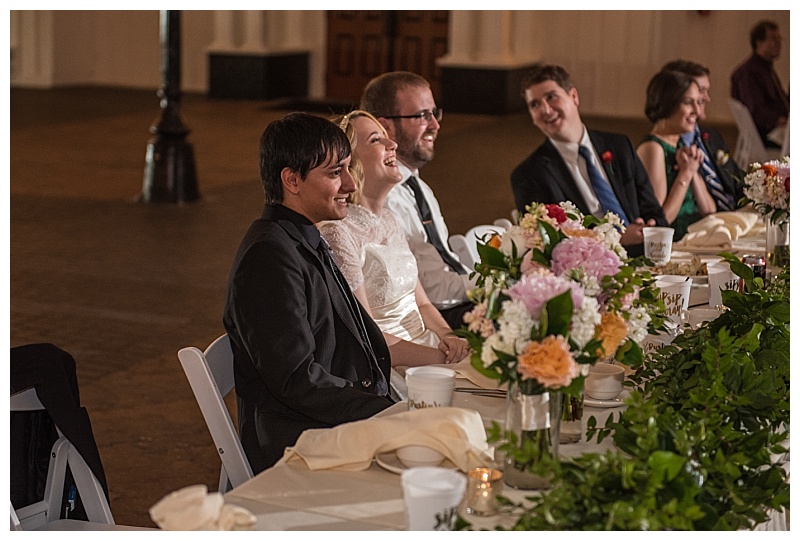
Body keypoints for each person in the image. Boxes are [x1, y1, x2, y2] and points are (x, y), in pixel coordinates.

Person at [223, 112, 394, 473]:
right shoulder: (268, 256)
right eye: (335, 173)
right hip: (299, 441)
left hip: (330, 421)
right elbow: (296, 379)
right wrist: (387, 414)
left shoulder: (301, 236)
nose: (350, 184)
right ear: (292, 180)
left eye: (348, 169)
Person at [320, 110, 470, 367]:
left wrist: (449, 337)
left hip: (428, 347)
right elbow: (364, 335)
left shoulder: (389, 220)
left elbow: (421, 303)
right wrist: (444, 361)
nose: (393, 145)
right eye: (376, 140)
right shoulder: (339, 232)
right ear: (350, 162)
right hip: (391, 365)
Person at [510, 63, 667, 256]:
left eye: (551, 97)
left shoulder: (619, 146)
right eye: (535, 104)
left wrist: (649, 229)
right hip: (589, 272)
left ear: (574, 96)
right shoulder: (529, 174)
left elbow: (654, 212)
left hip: (647, 258)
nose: (546, 110)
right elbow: (545, 246)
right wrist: (615, 239)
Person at [360, 71, 475, 330]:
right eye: (422, 116)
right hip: (435, 317)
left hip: (455, 299)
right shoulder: (382, 198)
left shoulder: (417, 185)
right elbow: (431, 291)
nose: (435, 125)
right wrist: (494, 283)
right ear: (385, 127)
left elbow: (443, 265)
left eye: (435, 113)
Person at [637, 70, 718, 241]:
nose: (697, 110)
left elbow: (709, 210)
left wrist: (692, 171)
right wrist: (686, 173)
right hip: (674, 243)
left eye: (699, 102)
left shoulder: (680, 144)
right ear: (668, 103)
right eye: (689, 103)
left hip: (696, 234)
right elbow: (661, 219)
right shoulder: (653, 148)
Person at [662, 59, 744, 209]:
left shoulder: (710, 135)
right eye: (701, 90)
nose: (706, 98)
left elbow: (736, 179)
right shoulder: (668, 147)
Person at [731, 20, 789, 148]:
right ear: (759, 42)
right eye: (773, 38)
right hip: (767, 135)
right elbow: (756, 111)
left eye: (780, 38)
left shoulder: (766, 69)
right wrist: (782, 120)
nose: (778, 43)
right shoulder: (749, 72)